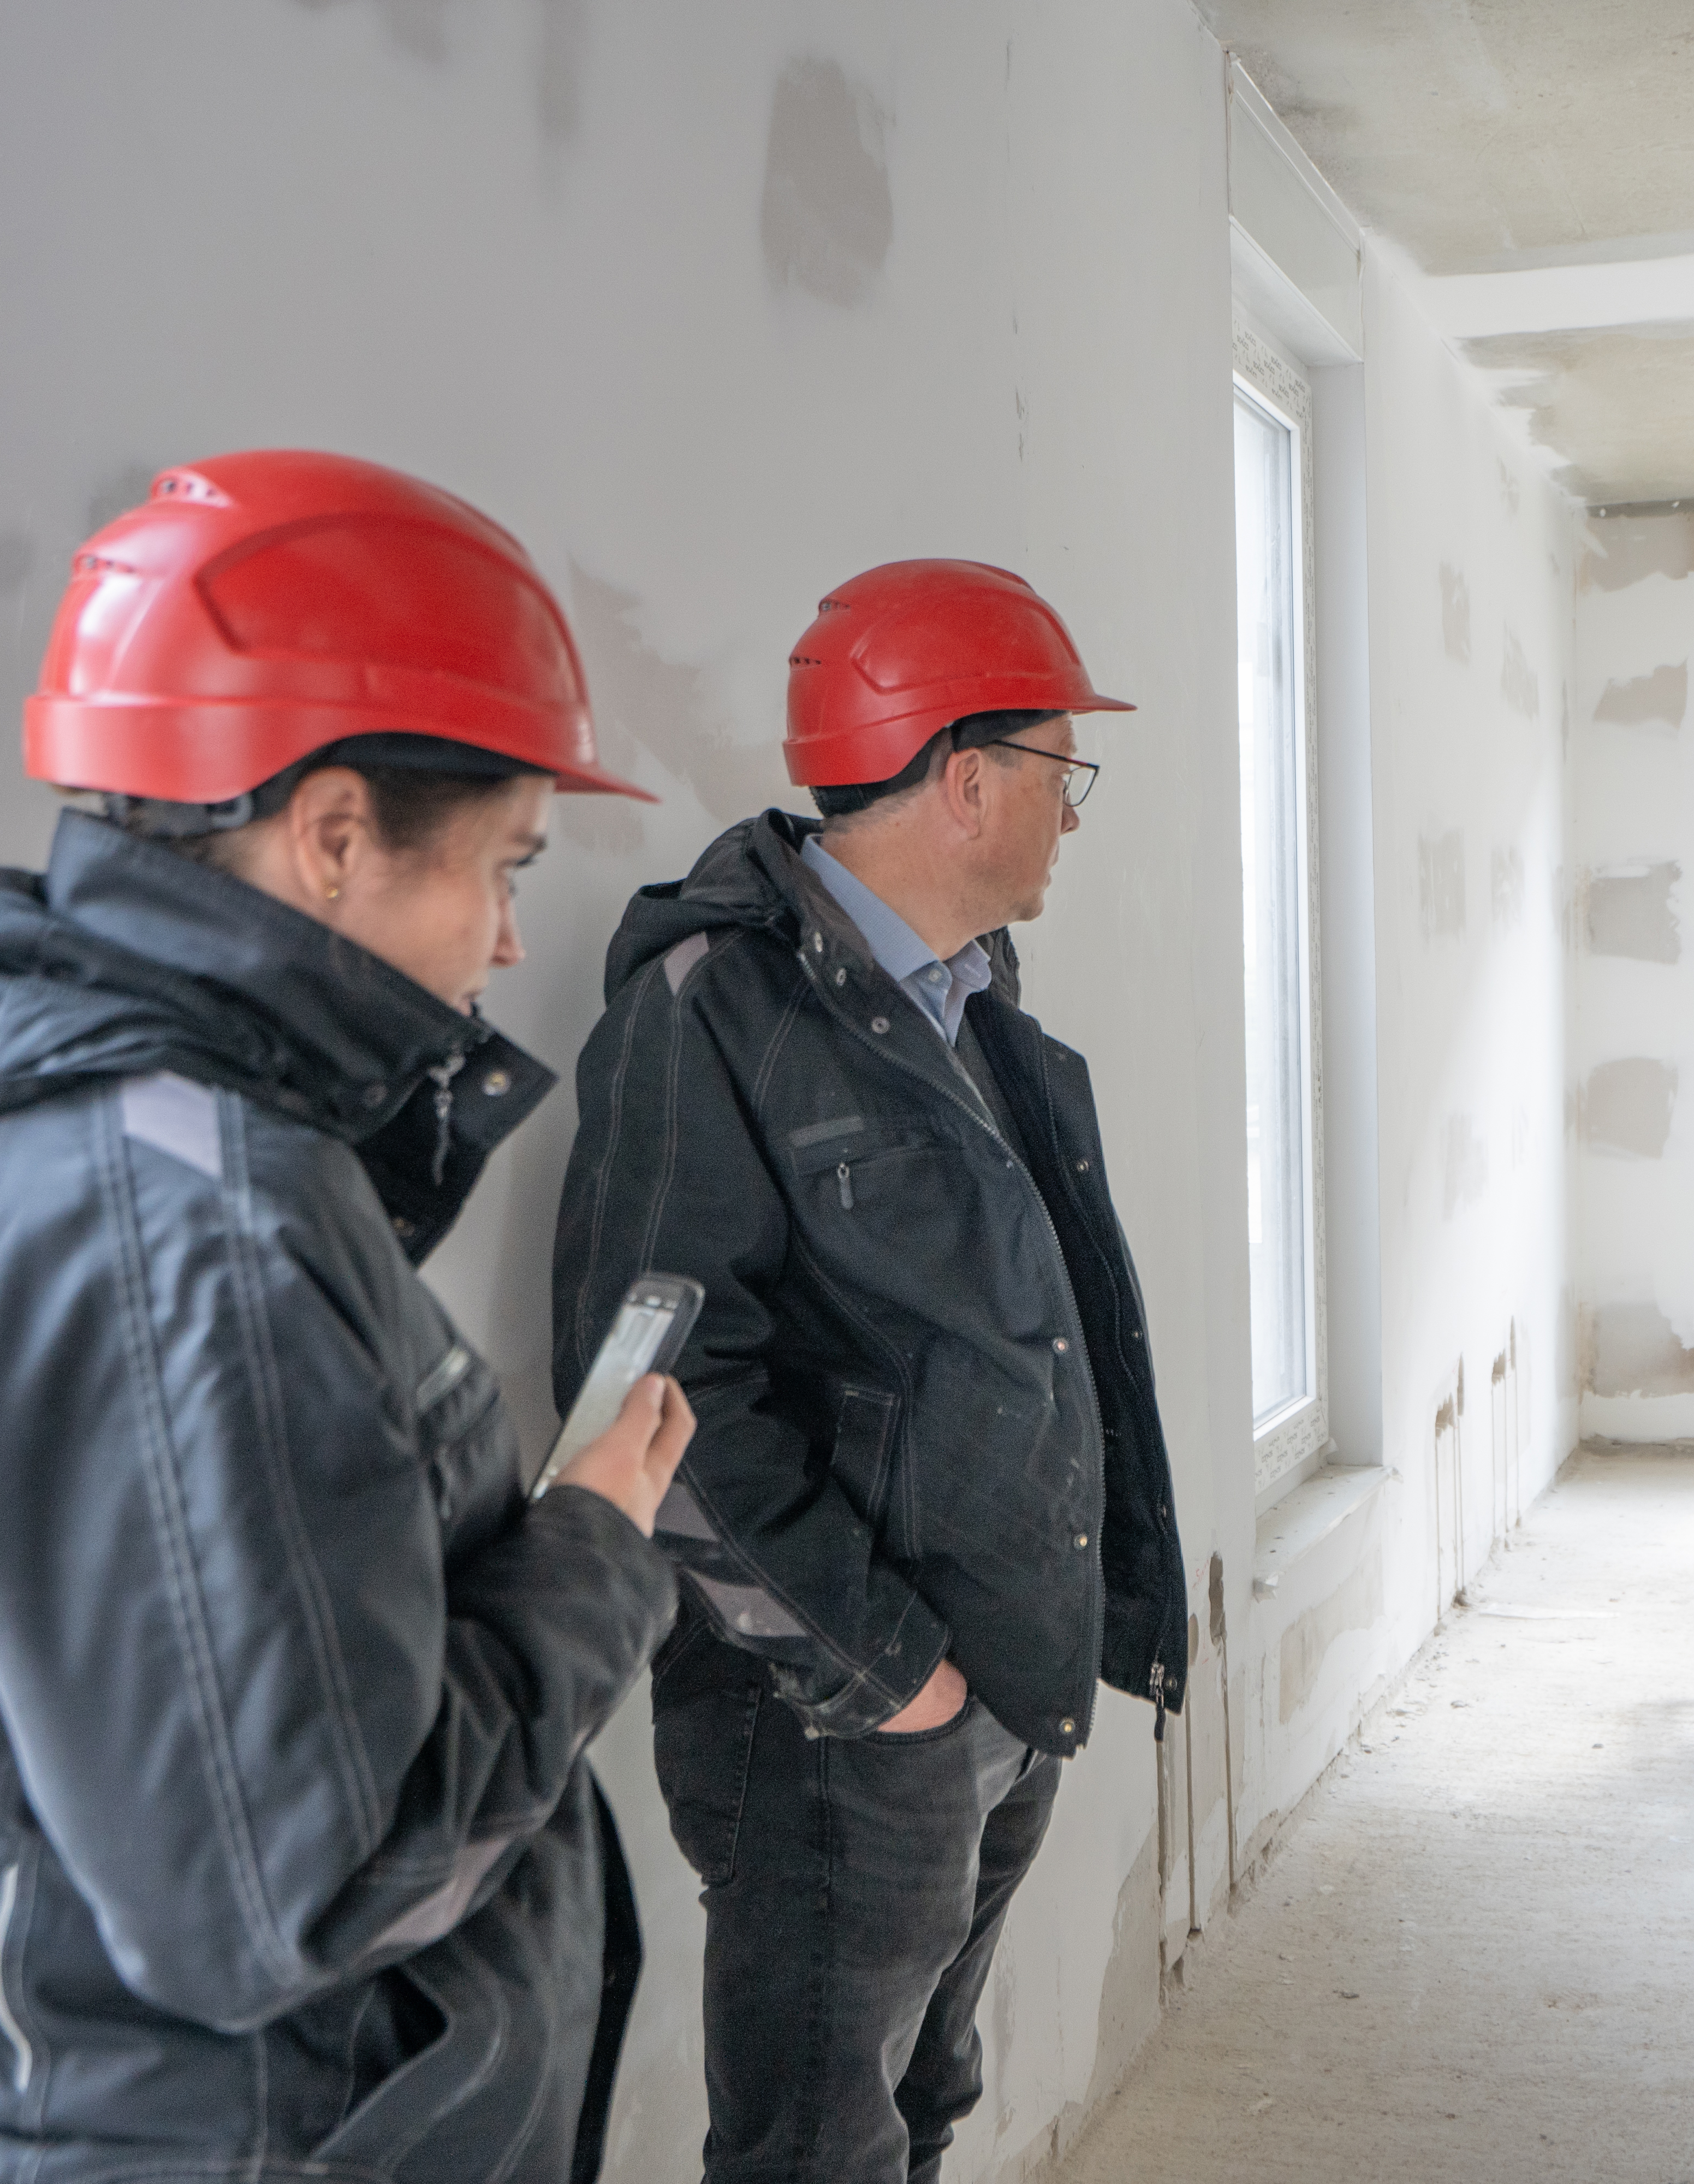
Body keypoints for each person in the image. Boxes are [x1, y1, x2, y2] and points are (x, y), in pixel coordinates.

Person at [0, 451, 692, 2183]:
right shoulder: (183, 1229)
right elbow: (298, 1895)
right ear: (331, 835)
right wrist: (597, 1545)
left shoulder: (100, 1126)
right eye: (500, 867)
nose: (505, 937)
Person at [551, 559, 1191, 2183]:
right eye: (1062, 771)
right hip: (835, 1718)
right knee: (809, 2151)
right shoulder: (710, 1014)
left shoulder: (968, 1003)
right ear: (966, 779)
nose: (1073, 811)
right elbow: (656, 1404)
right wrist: (895, 1675)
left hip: (989, 1681)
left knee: (919, 2111)